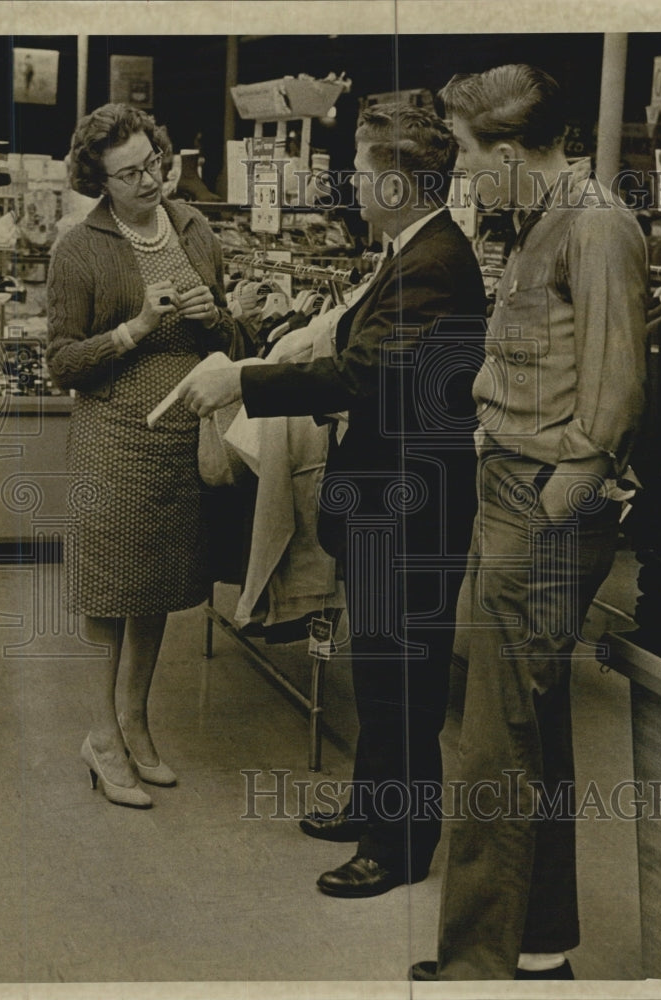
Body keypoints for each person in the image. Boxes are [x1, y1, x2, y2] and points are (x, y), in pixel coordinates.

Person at [179, 103, 487, 896]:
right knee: (380, 666)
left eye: (358, 168)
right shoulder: (412, 250)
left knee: (402, 676)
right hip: (391, 498)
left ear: (393, 178)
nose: (349, 182)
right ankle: (374, 804)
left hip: (410, 506)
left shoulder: (432, 261)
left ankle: (402, 842)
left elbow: (371, 379)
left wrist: (241, 379)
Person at [411, 65, 648, 980]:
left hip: (545, 502)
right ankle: (540, 944)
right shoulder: (547, 220)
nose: (464, 176)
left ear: (509, 154)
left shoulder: (593, 226)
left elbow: (617, 391)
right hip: (515, 486)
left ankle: (477, 966)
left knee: (494, 741)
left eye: (469, 157)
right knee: (528, 730)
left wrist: (561, 492)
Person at [46, 103, 238, 809]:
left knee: (155, 586)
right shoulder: (79, 247)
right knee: (108, 590)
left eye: (153, 164)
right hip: (112, 442)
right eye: (129, 175)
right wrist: (134, 329)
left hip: (178, 435)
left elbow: (228, 327)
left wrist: (210, 318)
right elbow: (61, 364)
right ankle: (100, 734)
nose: (149, 181)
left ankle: (135, 721)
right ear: (99, 180)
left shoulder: (194, 226)